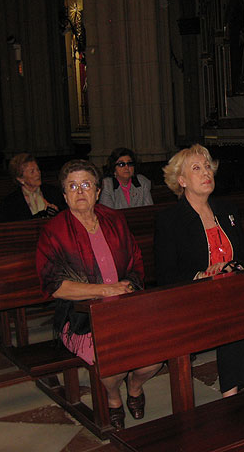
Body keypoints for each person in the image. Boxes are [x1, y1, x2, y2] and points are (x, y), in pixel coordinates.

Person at [154, 144, 244, 397]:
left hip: (233, 288)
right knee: (232, 313)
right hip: (193, 295)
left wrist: (232, 266)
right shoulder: (170, 220)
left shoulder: (227, 210)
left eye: (208, 166)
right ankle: (230, 393)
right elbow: (165, 275)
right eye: (197, 168)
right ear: (182, 180)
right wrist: (202, 275)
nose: (206, 172)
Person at [36, 159, 161, 430]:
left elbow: (136, 262)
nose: (80, 191)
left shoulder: (114, 219)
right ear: (65, 194)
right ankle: (113, 397)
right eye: (72, 186)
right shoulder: (54, 231)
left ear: (97, 191)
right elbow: (55, 285)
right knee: (113, 361)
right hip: (81, 318)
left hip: (125, 309)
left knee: (155, 355)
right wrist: (104, 290)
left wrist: (127, 285)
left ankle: (135, 386)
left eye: (86, 184)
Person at [0, 153, 66, 222]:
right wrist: (40, 216)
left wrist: (56, 213)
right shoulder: (10, 202)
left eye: (38, 169)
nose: (38, 173)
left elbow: (66, 215)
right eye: (32, 172)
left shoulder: (53, 191)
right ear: (20, 179)